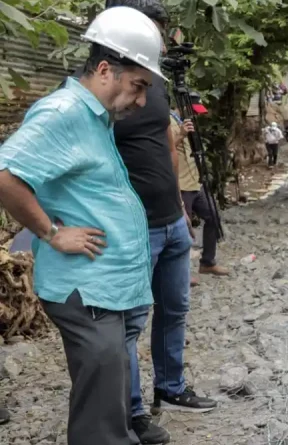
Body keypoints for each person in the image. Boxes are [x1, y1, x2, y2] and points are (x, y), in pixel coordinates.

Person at [0, 7, 164, 444]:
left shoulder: (95, 115)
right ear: (106, 69)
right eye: (138, 86)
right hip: (86, 290)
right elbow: (5, 173)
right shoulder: (64, 112)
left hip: (107, 289)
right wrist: (52, 233)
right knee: (100, 419)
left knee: (109, 399)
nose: (142, 100)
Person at [62, 1, 218, 442]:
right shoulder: (93, 91)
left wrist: (182, 211)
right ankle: (131, 413)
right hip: (131, 227)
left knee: (175, 309)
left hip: (169, 218)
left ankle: (170, 387)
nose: (162, 40)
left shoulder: (151, 86)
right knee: (127, 322)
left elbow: (165, 145)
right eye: (155, 30)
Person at [170, 94, 230, 288]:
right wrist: (180, 134)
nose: (196, 115)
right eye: (193, 111)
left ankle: (208, 262)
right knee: (183, 230)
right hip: (181, 184)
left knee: (213, 217)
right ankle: (181, 274)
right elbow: (163, 148)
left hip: (195, 182)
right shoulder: (168, 121)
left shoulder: (188, 122)